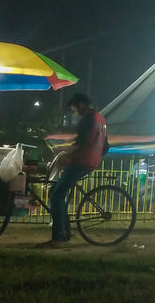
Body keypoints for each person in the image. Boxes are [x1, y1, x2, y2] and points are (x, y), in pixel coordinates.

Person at [38, 93, 108, 248]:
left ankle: (58, 238)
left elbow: (81, 143)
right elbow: (106, 148)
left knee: (56, 196)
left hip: (80, 162)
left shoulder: (88, 119)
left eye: (75, 109)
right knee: (57, 190)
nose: (75, 113)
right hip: (90, 162)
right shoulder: (100, 119)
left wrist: (66, 153)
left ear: (80, 104)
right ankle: (66, 232)